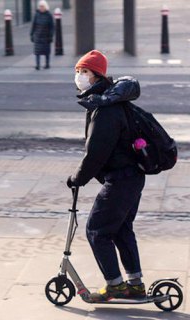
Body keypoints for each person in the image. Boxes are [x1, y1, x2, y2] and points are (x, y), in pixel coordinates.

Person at [66, 50, 147, 302]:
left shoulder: (105, 109)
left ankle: (116, 286)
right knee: (121, 228)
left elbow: (96, 153)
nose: (79, 76)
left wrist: (77, 178)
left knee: (97, 231)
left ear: (97, 75)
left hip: (122, 179)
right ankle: (134, 284)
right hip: (130, 177)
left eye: (85, 72)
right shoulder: (105, 101)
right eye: (77, 71)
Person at [30, 0, 54, 70]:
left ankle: (47, 64)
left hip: (46, 36)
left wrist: (51, 35)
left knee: (46, 51)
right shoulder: (36, 15)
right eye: (40, 6)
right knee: (37, 52)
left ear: (45, 7)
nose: (41, 8)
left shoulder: (49, 15)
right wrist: (31, 34)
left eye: (42, 6)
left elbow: (52, 26)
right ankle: (37, 65)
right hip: (38, 36)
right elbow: (33, 25)